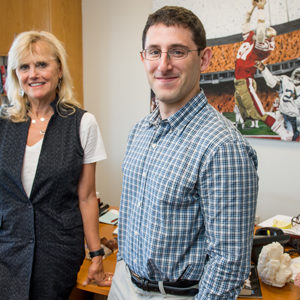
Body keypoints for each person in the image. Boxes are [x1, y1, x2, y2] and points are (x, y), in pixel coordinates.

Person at [108, 6, 259, 300]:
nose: (163, 65)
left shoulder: (223, 146)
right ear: (143, 58)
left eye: (177, 52)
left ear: (203, 59)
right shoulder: (139, 131)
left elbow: (229, 263)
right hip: (125, 285)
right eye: (154, 52)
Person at [0, 31, 112, 300]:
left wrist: (96, 255)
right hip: (7, 250)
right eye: (24, 67)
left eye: (42, 65)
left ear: (59, 69)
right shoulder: (3, 122)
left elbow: (86, 197)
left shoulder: (82, 123)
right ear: (15, 74)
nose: (33, 74)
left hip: (57, 252)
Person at [234, 0, 291, 140]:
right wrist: (253, 7)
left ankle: (281, 131)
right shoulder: (250, 39)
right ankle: (278, 119)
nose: (263, 31)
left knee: (257, 113)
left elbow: (260, 31)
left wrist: (261, 9)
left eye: (267, 33)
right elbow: (246, 20)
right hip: (238, 82)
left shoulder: (263, 47)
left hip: (245, 81)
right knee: (244, 114)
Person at [256, 62, 300, 141]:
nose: (298, 77)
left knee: (293, 138)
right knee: (288, 137)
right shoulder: (286, 81)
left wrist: (296, 98)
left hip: (296, 116)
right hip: (285, 114)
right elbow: (272, 82)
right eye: (297, 75)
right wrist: (264, 70)